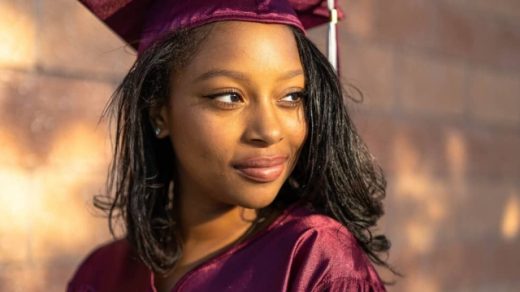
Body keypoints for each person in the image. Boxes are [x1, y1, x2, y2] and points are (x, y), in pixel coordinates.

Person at [68, 0, 396, 291]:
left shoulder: (315, 261)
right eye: (229, 97)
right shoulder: (100, 275)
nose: (269, 131)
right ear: (159, 112)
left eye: (292, 96)